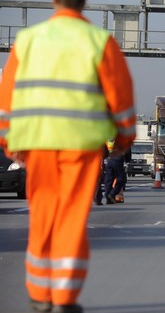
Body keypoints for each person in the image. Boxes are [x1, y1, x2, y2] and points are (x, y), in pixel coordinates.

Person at [0, 0, 136, 312]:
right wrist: (123, 138)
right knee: (70, 220)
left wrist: (8, 140)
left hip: (37, 146)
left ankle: (39, 294)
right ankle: (63, 299)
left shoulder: (28, 41)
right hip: (80, 148)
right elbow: (121, 98)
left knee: (43, 215)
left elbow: (7, 98)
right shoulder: (99, 42)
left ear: (53, 1)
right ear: (84, 2)